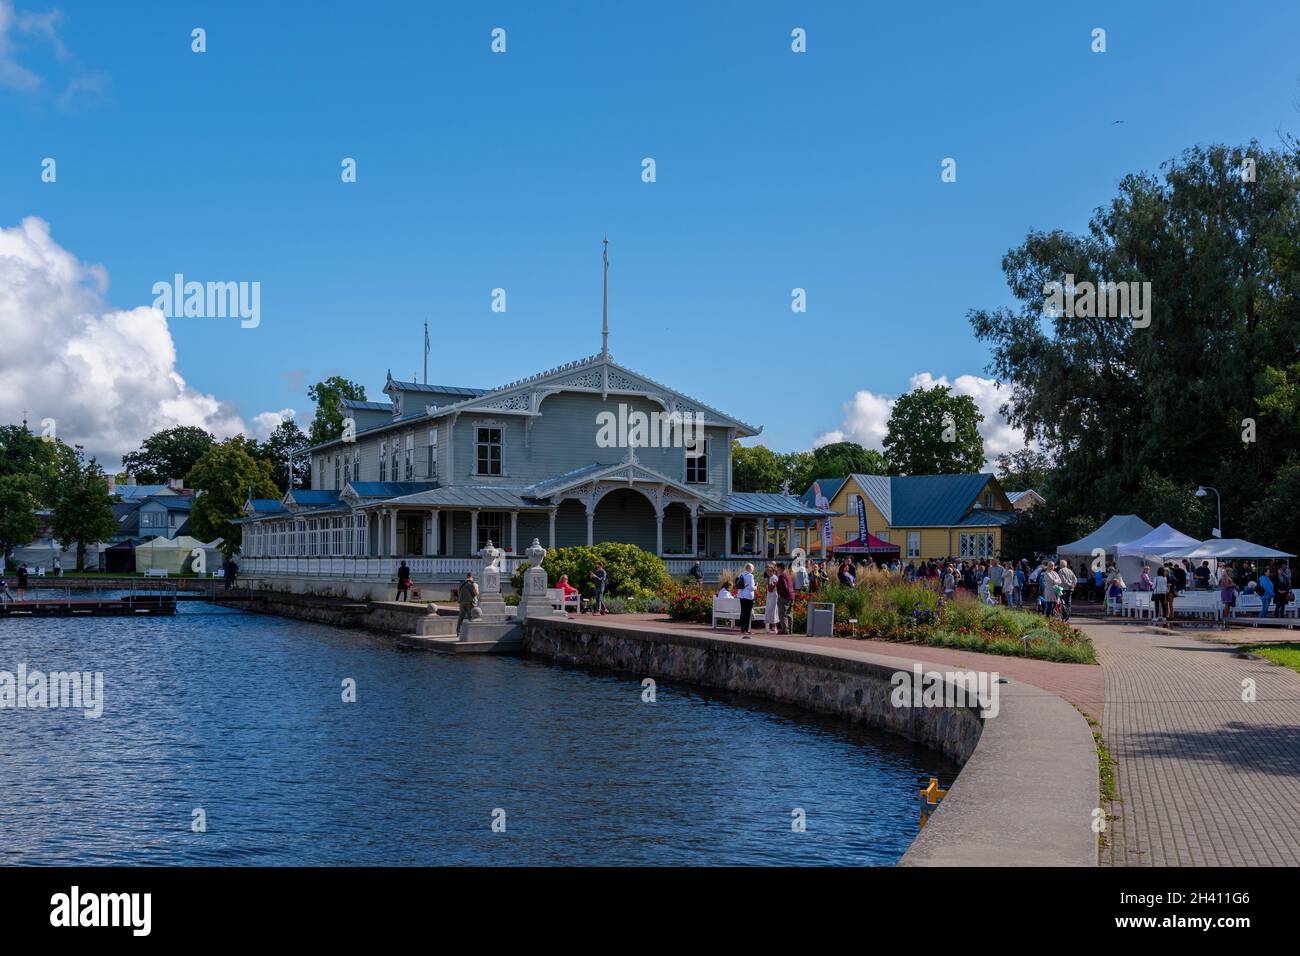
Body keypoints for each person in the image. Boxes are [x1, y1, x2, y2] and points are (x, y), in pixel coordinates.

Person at [737, 563, 757, 638]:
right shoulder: (750, 575)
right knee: (748, 613)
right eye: (752, 568)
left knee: (743, 612)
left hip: (741, 596)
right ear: (750, 568)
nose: (753, 570)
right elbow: (751, 588)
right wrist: (756, 587)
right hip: (748, 596)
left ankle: (742, 629)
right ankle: (746, 630)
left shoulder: (741, 574)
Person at [776, 561, 795, 635]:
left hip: (785, 597)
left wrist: (780, 594)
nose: (777, 569)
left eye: (777, 568)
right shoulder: (787, 574)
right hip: (791, 596)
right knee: (789, 614)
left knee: (782, 614)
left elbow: (784, 587)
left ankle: (784, 630)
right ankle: (790, 630)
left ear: (779, 568)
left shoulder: (782, 576)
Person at [762, 564, 779, 633]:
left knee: (773, 610)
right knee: (770, 610)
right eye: (766, 570)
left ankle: (774, 628)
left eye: (769, 570)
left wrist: (767, 584)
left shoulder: (773, 577)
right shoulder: (770, 577)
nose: (767, 571)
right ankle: (773, 627)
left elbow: (771, 589)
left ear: (772, 570)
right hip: (770, 596)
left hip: (773, 596)